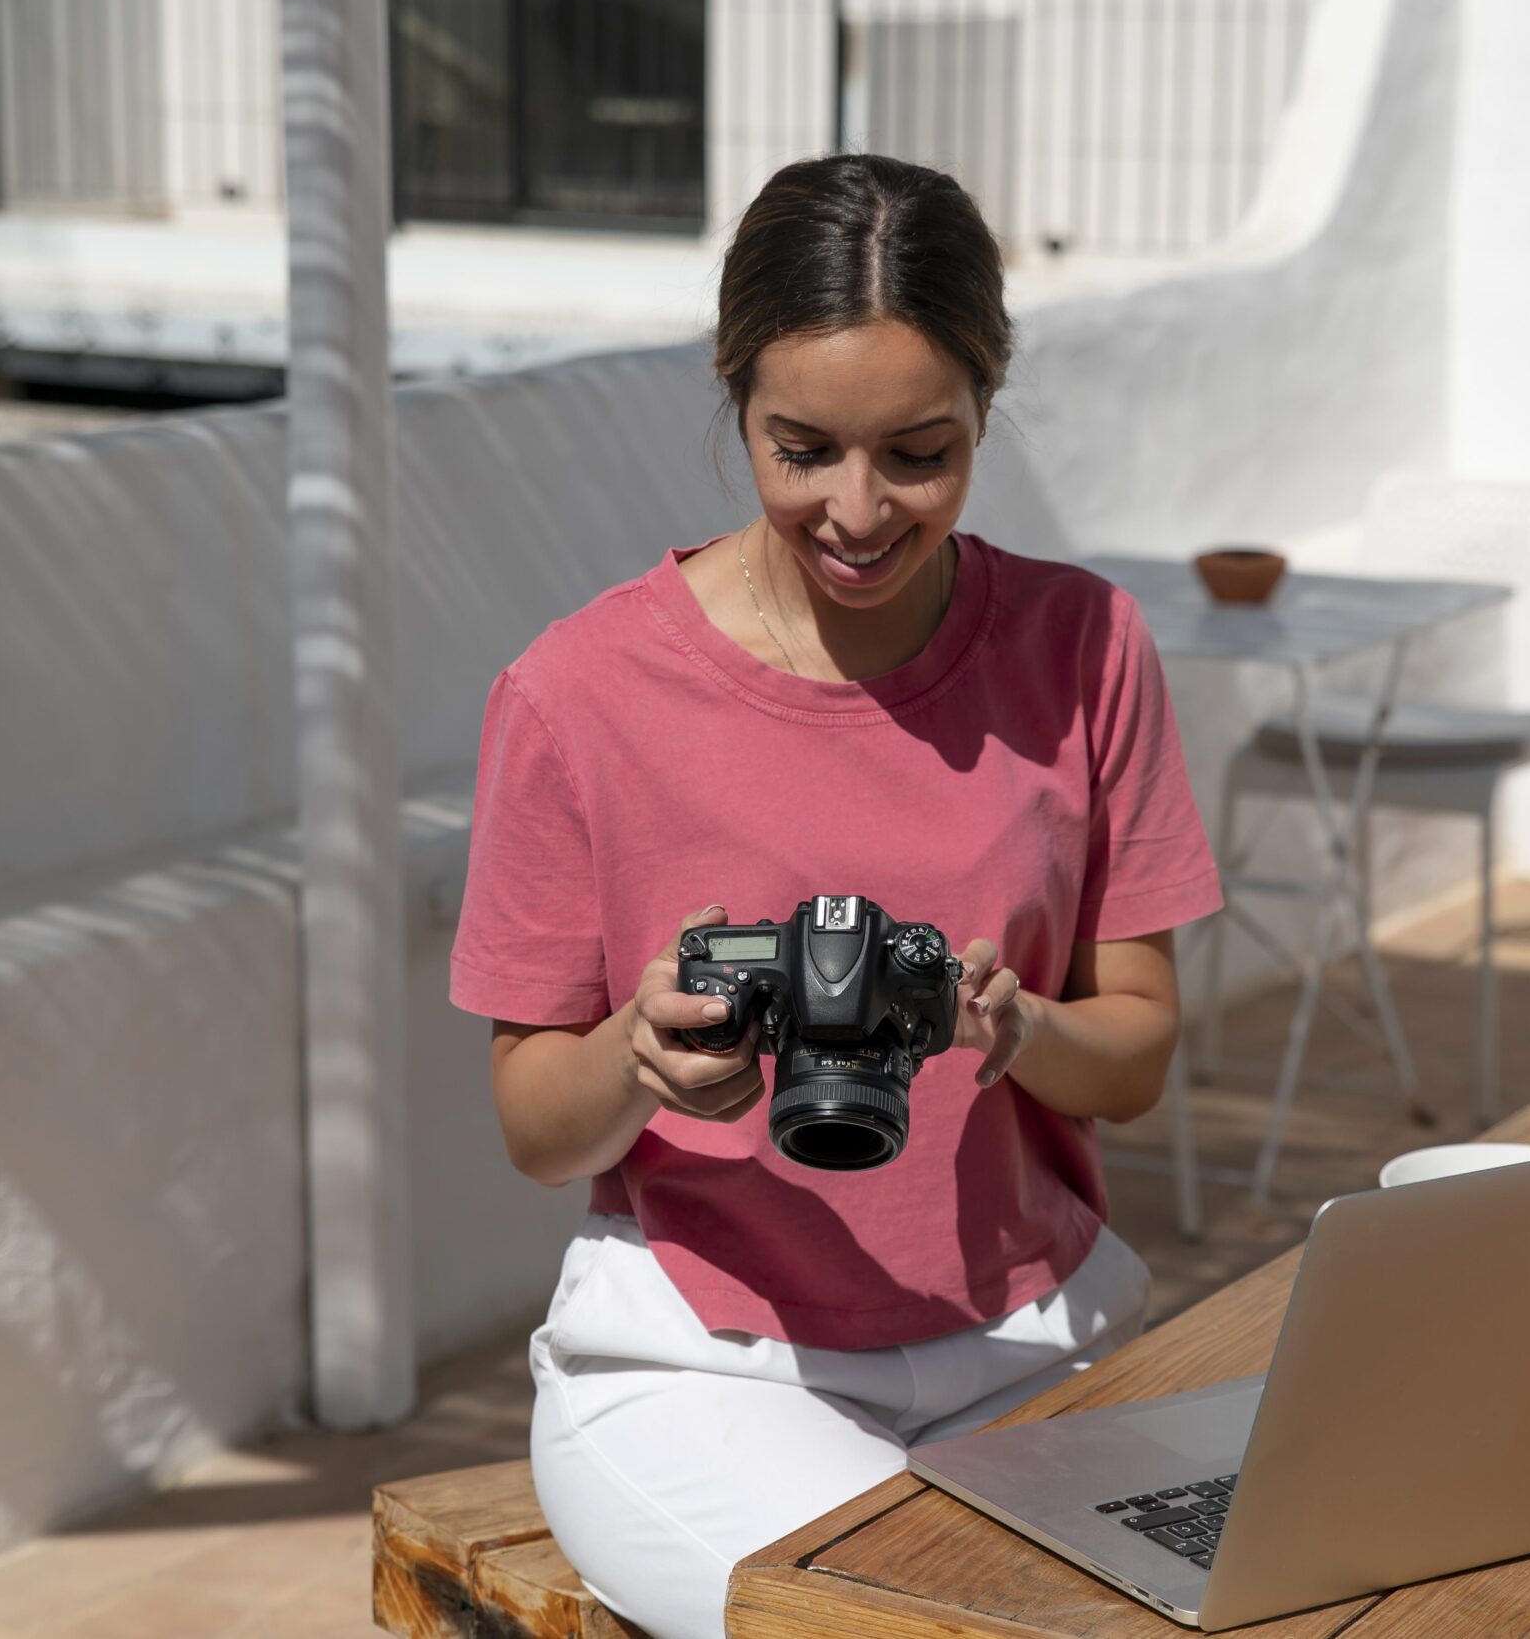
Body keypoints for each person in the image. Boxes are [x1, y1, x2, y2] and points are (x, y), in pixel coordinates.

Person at [451, 153, 1221, 1639]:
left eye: (918, 453)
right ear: (734, 401)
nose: (857, 511)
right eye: (800, 449)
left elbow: (1135, 1054)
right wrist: (639, 1054)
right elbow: (536, 1128)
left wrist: (1015, 1032)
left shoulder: (1084, 645)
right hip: (701, 1371)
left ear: (989, 410)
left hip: (1037, 1343)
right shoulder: (577, 693)